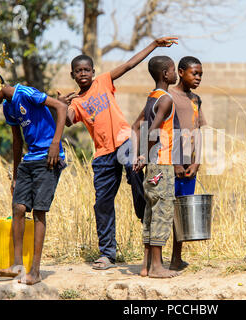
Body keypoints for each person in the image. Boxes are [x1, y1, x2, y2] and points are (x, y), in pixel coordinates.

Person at [58, 37, 178, 270]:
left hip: (124, 142)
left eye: (86, 70)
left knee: (138, 182)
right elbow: (68, 121)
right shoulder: (77, 102)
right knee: (102, 202)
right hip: (102, 155)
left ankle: (148, 236)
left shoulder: (103, 82)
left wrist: (153, 44)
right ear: (72, 75)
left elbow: (130, 64)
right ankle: (107, 253)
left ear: (93, 72)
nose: (82, 74)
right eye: (77, 71)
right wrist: (60, 106)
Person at [0, 69, 67, 285]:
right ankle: (18, 266)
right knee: (18, 208)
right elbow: (17, 141)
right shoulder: (8, 107)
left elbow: (61, 107)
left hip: (48, 156)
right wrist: (15, 175)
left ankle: (35, 271)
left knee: (39, 211)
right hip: (29, 159)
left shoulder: (25, 93)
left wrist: (55, 143)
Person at [133, 56, 180, 278]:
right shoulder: (166, 99)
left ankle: (146, 266)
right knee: (162, 211)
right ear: (165, 74)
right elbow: (152, 130)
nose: (175, 73)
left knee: (151, 212)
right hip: (162, 162)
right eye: (172, 69)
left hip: (152, 165)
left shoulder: (151, 97)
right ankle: (157, 267)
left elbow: (139, 126)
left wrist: (141, 155)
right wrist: (144, 153)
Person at [168, 56, 206, 271]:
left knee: (182, 212)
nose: (198, 78)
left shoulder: (196, 99)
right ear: (181, 72)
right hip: (170, 162)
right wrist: (173, 163)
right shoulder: (169, 96)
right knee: (164, 210)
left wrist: (197, 161)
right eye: (195, 73)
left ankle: (176, 258)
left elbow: (197, 131)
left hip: (188, 164)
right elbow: (161, 132)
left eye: (200, 74)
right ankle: (152, 259)